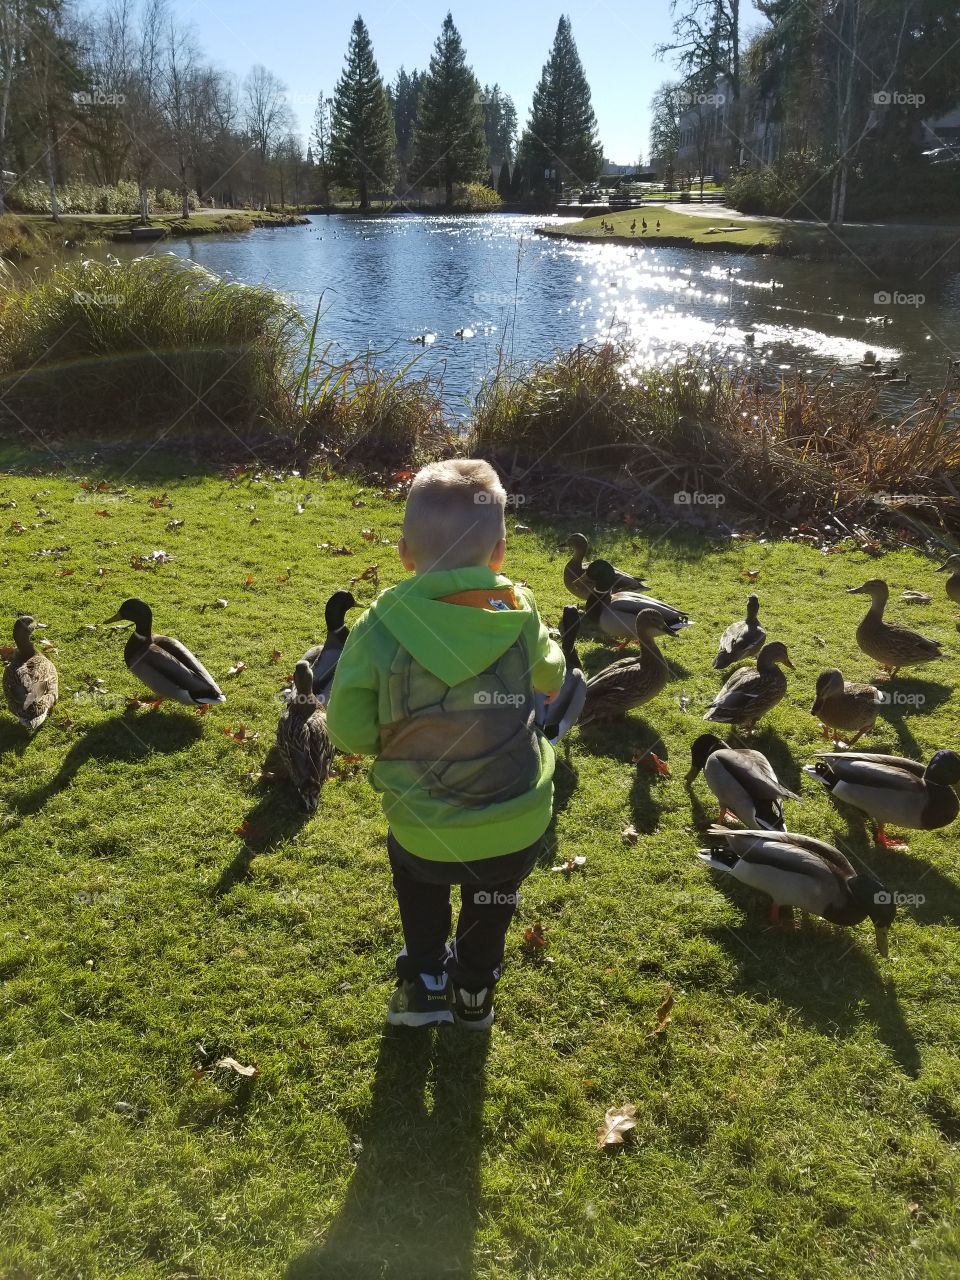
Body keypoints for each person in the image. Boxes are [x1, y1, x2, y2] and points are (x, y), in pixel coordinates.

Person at [327, 459, 565, 1030]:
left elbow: (348, 732)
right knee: (491, 906)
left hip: (424, 823)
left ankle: (426, 978)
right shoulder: (515, 606)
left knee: (420, 879)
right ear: (500, 552)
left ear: (405, 552)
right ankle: (474, 995)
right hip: (515, 817)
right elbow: (551, 678)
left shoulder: (381, 625)